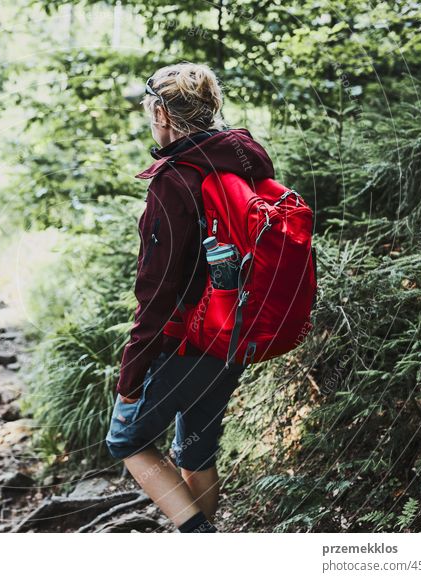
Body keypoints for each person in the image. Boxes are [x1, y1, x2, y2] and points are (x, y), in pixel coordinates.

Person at [105, 63, 276, 533]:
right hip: (236, 331)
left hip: (186, 340)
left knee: (125, 440)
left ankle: (201, 542)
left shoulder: (173, 179)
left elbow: (157, 291)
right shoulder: (244, 158)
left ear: (161, 113)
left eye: (148, 109)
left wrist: (133, 371)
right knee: (196, 449)